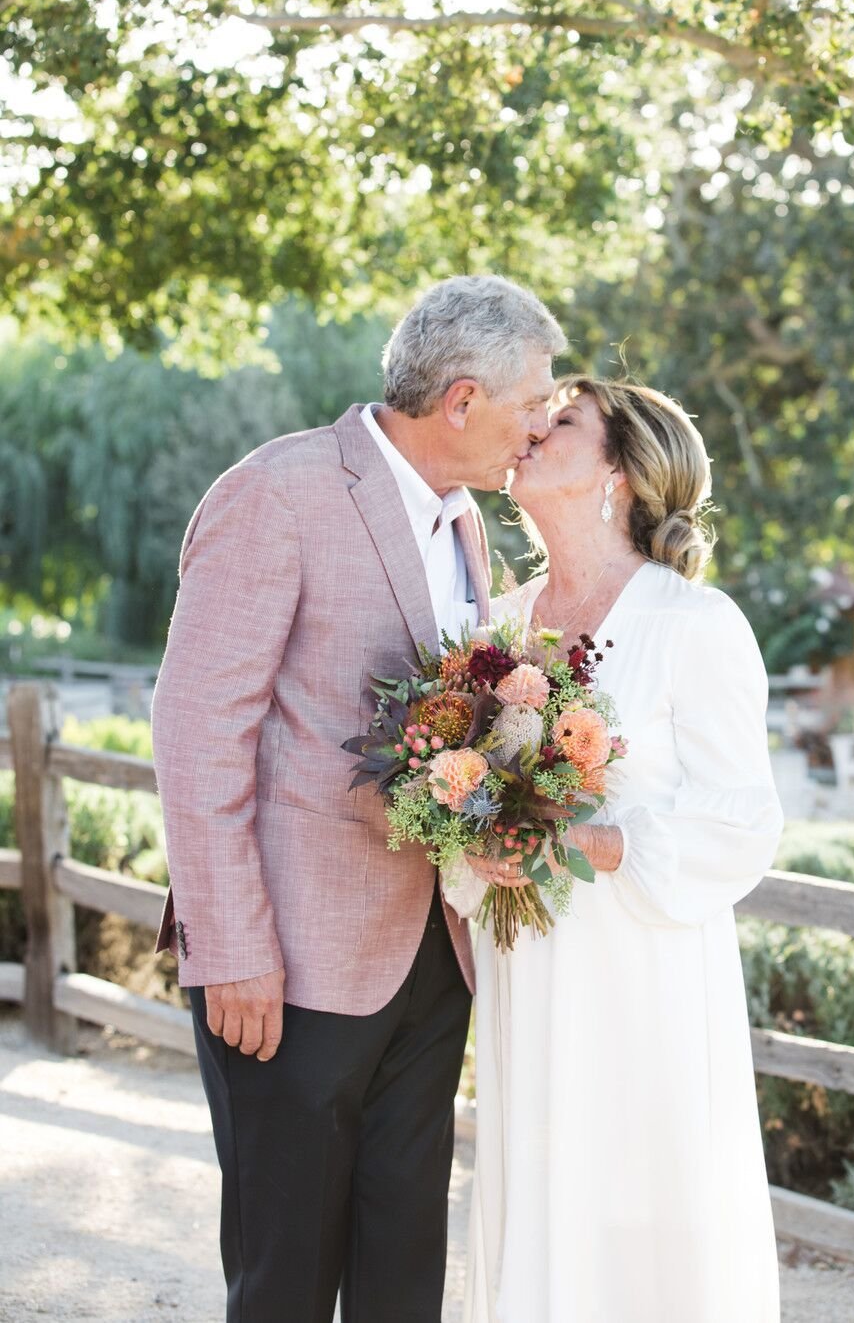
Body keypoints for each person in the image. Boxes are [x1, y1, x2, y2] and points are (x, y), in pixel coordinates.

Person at [150, 275, 565, 1323]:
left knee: (402, 1266)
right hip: (286, 963)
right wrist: (232, 949)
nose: (543, 425)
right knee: (285, 1274)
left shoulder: (466, 521)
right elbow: (199, 735)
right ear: (464, 401)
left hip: (433, 960)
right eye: (533, 403)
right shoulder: (277, 492)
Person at [447, 376, 784, 1323]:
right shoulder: (500, 630)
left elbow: (743, 821)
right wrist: (477, 855)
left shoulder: (694, 625)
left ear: (621, 475)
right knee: (540, 1188)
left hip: (646, 971)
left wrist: (595, 840)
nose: (531, 432)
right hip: (532, 966)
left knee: (642, 1195)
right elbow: (463, 800)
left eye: (561, 424)